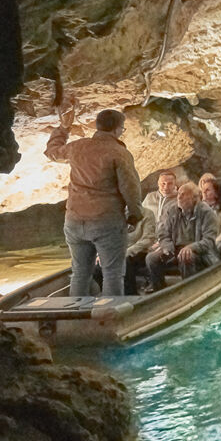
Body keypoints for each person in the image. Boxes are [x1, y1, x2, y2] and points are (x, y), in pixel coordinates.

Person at [45, 104, 142, 297]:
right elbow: (130, 188)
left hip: (74, 221)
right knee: (112, 274)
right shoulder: (119, 153)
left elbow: (52, 152)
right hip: (106, 221)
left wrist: (63, 128)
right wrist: (134, 214)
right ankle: (108, 319)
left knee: (80, 273)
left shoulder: (78, 147)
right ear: (118, 129)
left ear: (97, 126)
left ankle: (74, 318)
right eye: (122, 128)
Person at [96, 170, 171, 293]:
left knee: (125, 262)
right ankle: (107, 294)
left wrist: (127, 252)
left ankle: (131, 295)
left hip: (139, 253)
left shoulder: (147, 214)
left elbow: (147, 239)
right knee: (96, 268)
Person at [146, 182, 218, 290]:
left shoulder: (207, 213)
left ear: (194, 198)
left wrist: (191, 247)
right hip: (174, 249)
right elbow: (163, 234)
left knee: (186, 257)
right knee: (151, 258)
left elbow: (209, 241)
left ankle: (189, 290)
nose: (179, 197)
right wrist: (167, 247)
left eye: (183, 194)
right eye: (179, 193)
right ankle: (158, 289)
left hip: (199, 253)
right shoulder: (172, 210)